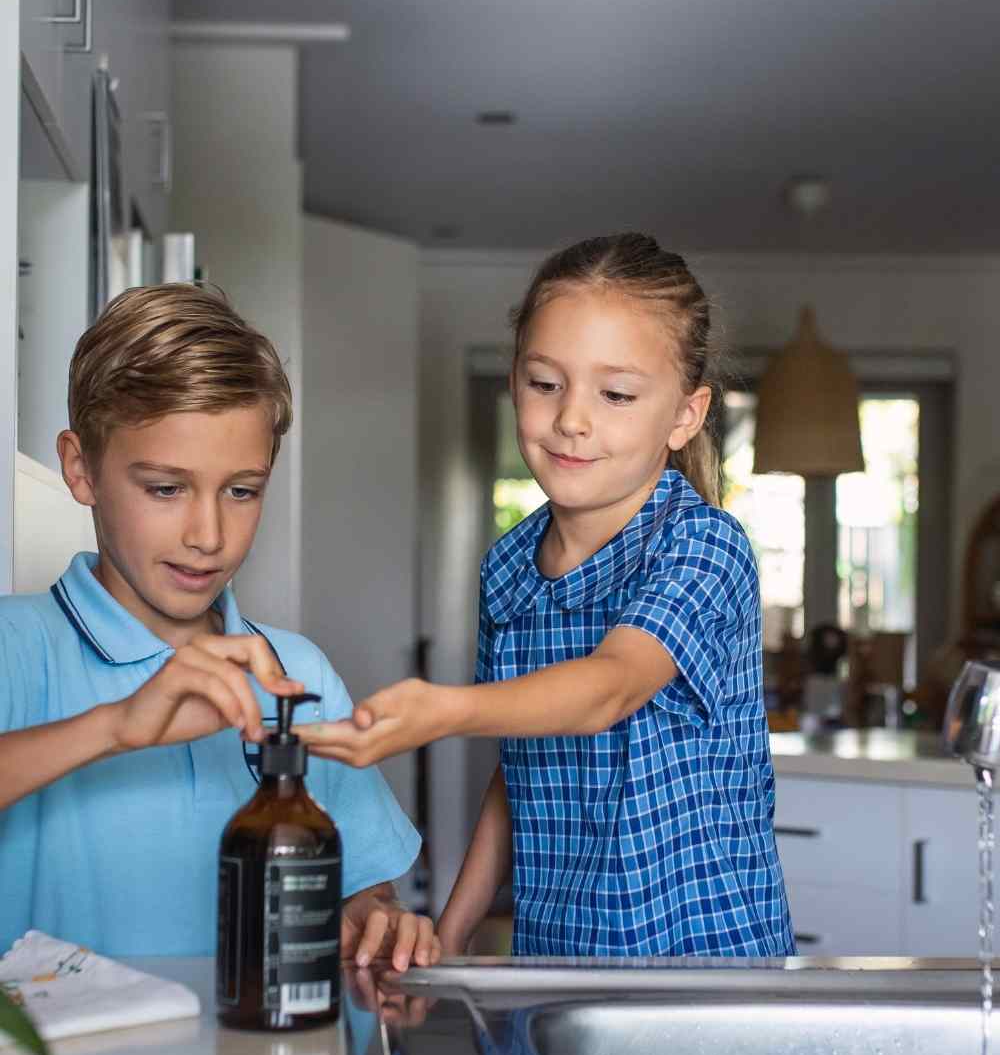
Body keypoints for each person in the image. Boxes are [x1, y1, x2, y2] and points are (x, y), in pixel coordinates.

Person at [301, 233, 794, 959]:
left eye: (616, 394)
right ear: (513, 383)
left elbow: (611, 689)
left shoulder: (702, 545)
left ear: (685, 416)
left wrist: (442, 711)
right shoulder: (507, 567)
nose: (572, 419)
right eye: (545, 383)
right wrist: (452, 932)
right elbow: (520, 773)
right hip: (556, 954)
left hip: (703, 963)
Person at [0, 283, 438, 971]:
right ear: (80, 469)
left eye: (241, 490)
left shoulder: (297, 672)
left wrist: (375, 916)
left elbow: (360, 884)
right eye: (166, 489)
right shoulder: (12, 647)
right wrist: (116, 726)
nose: (208, 535)